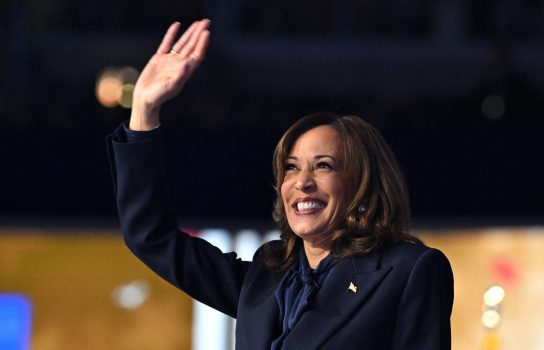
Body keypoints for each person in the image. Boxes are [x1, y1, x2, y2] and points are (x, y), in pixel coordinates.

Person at [107, 19, 453, 349]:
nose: (302, 182)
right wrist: (144, 111)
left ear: (362, 183)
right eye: (291, 167)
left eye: (322, 166)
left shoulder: (408, 270)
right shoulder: (265, 276)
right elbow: (152, 238)